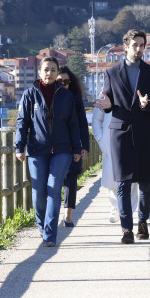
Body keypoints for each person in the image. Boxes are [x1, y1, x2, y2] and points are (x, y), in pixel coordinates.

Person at [95, 29, 150, 244]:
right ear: (125, 46)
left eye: (142, 45)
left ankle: (142, 222)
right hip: (121, 133)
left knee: (146, 183)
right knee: (123, 184)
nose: (138, 49)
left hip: (146, 132)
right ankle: (126, 228)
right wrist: (108, 107)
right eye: (134, 45)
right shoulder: (112, 73)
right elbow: (109, 101)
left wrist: (149, 104)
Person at [15, 57, 81, 247]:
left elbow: (74, 124)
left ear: (57, 72)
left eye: (53, 70)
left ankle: (50, 234)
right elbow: (22, 122)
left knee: (53, 188)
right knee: (38, 191)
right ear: (39, 72)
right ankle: (43, 226)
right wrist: (20, 146)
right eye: (46, 69)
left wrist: (76, 148)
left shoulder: (66, 95)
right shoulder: (29, 94)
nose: (49, 73)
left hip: (62, 150)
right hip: (36, 150)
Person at [91, 106, 139, 223]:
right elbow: (96, 119)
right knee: (111, 179)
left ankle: (129, 212)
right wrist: (100, 139)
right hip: (109, 141)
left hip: (131, 137)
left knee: (132, 180)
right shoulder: (105, 92)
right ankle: (115, 206)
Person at [57, 66, 89, 227]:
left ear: (71, 82)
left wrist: (85, 146)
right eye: (59, 81)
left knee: (71, 179)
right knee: (55, 180)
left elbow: (83, 123)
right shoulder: (49, 98)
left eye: (66, 81)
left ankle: (67, 216)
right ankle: (52, 213)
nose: (63, 84)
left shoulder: (76, 99)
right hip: (54, 145)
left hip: (73, 144)